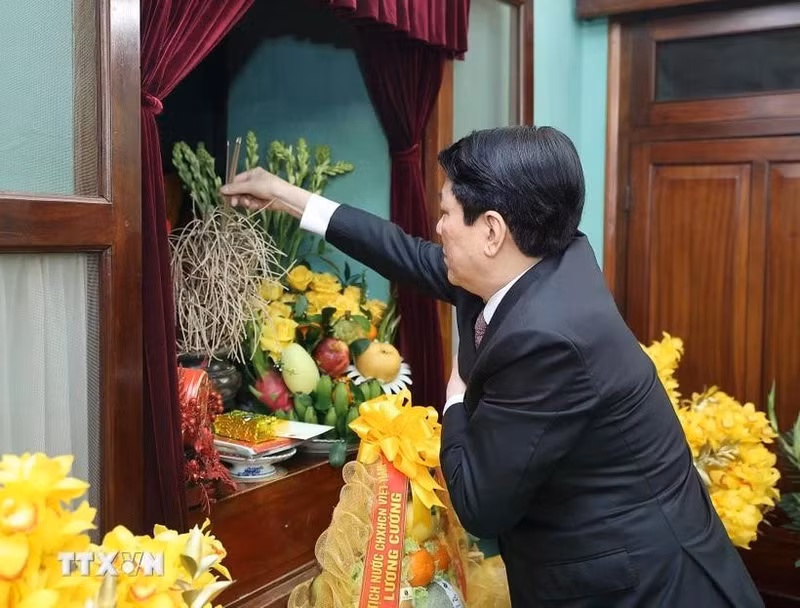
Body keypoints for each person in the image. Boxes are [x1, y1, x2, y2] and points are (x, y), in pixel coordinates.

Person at [221, 126, 763, 607]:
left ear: (492, 230)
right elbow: (403, 252)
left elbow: (481, 506)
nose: (437, 228)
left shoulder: (547, 337)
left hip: (640, 584)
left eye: (446, 213)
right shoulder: (539, 261)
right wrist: (286, 196)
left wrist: (456, 396)